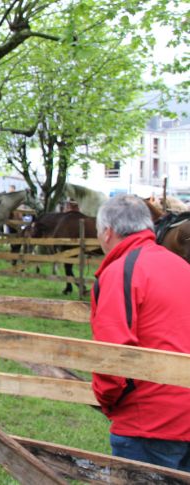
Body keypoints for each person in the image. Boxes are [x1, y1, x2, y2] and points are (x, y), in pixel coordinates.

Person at [92, 194, 190, 471]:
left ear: (108, 232)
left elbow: (113, 357)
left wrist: (108, 401)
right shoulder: (182, 266)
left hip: (148, 422)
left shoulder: (121, 271)